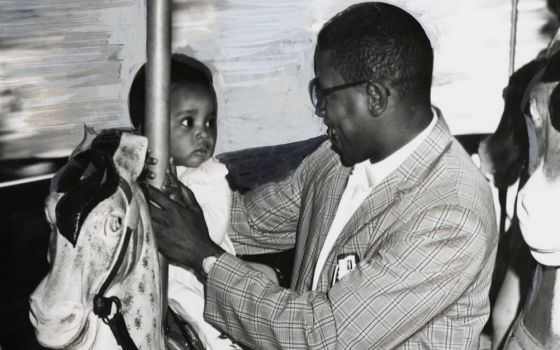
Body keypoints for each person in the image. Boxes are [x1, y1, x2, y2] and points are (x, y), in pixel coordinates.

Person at [148, 3, 499, 349]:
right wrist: (151, 193)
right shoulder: (336, 161)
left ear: (374, 97)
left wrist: (204, 256)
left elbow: (320, 336)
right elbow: (243, 222)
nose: (319, 109)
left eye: (324, 93)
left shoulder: (451, 214)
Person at [129, 54, 253, 349]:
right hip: (157, 274)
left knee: (196, 307)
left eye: (210, 121)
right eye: (188, 121)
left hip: (196, 276)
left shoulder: (209, 176)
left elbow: (212, 229)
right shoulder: (142, 175)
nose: (203, 132)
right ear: (150, 129)